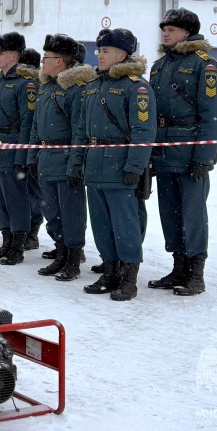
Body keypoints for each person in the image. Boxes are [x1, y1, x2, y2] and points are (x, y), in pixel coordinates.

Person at [73, 28, 156, 301]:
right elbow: (82, 130)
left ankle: (129, 278)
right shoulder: (92, 86)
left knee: (125, 224)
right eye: (99, 50)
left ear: (121, 55)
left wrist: (135, 166)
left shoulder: (137, 87)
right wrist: (78, 160)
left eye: (106, 51)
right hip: (95, 163)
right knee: (101, 223)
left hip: (120, 166)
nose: (99, 55)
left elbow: (143, 131)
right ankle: (110, 271)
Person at [149, 8, 217, 296]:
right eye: (164, 29)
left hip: (190, 149)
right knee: (169, 212)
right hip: (163, 150)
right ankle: (178, 266)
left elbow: (211, 116)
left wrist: (204, 156)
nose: (165, 33)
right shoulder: (159, 66)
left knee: (192, 214)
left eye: (171, 29)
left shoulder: (204, 65)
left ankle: (196, 273)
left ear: (187, 32)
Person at [29, 34, 95, 281]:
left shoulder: (75, 89)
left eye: (46, 57)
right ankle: (61, 252)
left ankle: (73, 258)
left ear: (60, 61)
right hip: (46, 156)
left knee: (71, 212)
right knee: (52, 211)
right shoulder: (46, 87)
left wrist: (75, 162)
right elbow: (36, 126)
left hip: (65, 155)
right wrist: (33, 155)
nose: (42, 61)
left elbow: (80, 129)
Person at [0, 32, 34, 265]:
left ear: (14, 56)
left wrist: (21, 156)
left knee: (15, 199)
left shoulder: (24, 84)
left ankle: (18, 245)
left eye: (1, 52)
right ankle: (6, 241)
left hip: (11, 147)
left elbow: (27, 122)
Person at [17, 47, 46, 251]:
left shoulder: (31, 86)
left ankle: (32, 232)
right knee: (26, 192)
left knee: (32, 193)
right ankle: (28, 230)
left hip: (30, 145)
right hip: (24, 145)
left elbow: (30, 120)